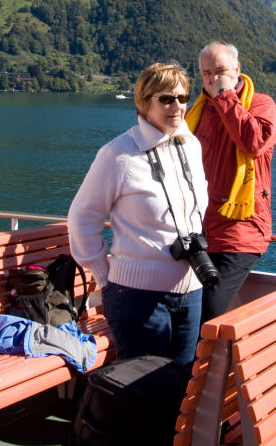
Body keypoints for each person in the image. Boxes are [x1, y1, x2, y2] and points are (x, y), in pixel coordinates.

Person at [67, 62, 209, 365]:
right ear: (144, 102)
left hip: (191, 291)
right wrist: (105, 278)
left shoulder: (192, 147)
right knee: (143, 388)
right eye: (166, 99)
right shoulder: (119, 154)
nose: (177, 106)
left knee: (182, 386)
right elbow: (82, 218)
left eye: (182, 98)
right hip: (138, 297)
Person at [184, 42, 276, 321]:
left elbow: (253, 143)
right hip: (200, 231)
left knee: (205, 313)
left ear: (237, 69)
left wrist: (225, 96)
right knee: (183, 311)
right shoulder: (196, 112)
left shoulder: (261, 104)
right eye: (207, 73)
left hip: (241, 232)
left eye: (221, 71)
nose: (214, 78)